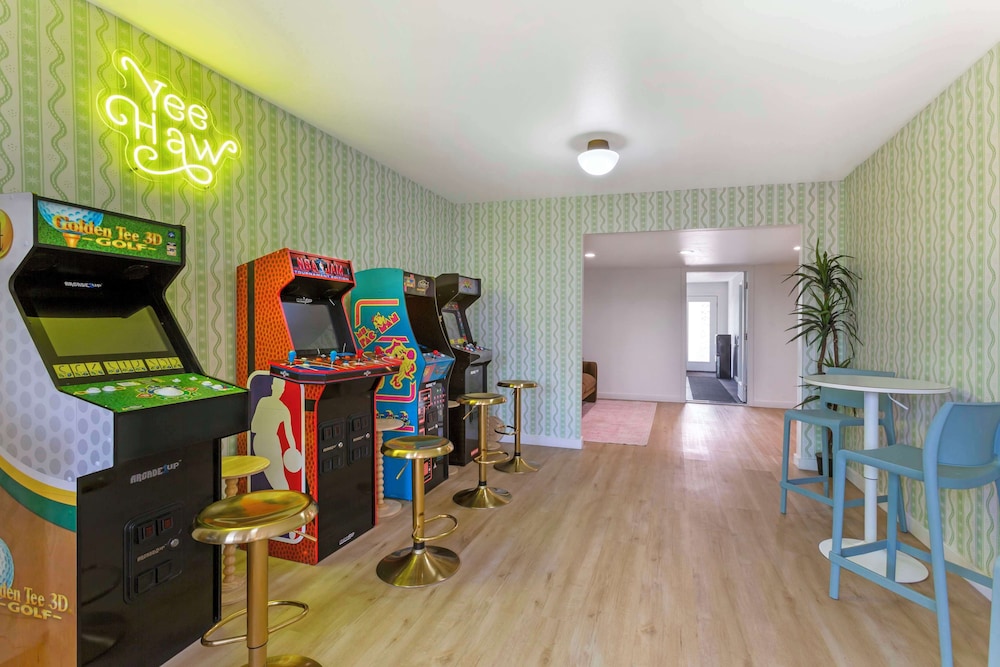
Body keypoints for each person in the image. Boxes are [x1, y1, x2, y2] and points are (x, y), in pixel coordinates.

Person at [250, 376, 302, 490]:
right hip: (271, 442)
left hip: (259, 441)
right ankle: (286, 499)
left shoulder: (263, 401)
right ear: (273, 387)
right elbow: (289, 435)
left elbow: (253, 427)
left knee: (276, 479)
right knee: (280, 482)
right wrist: (293, 451)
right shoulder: (283, 409)